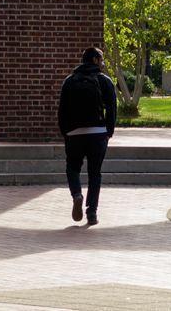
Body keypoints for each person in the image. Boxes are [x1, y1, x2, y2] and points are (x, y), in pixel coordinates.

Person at [57, 46, 117, 226]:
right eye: (102, 60)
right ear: (94, 60)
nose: (103, 63)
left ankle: (76, 194)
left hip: (74, 134)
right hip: (98, 134)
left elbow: (62, 111)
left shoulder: (69, 81)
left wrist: (66, 134)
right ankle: (92, 213)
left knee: (73, 167)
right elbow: (112, 111)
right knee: (95, 174)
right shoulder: (105, 81)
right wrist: (109, 133)